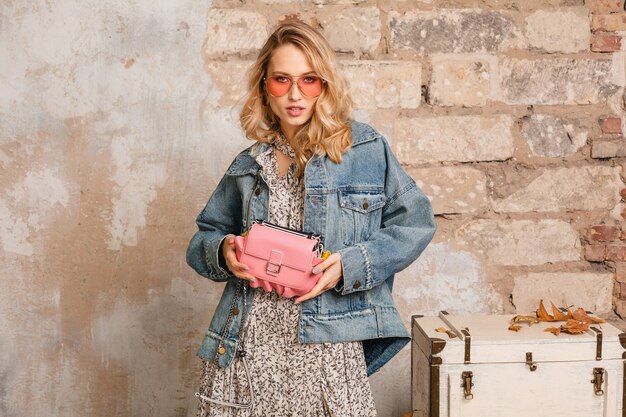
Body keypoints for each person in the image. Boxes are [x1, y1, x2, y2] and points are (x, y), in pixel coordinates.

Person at [186, 19, 436, 417]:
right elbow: (204, 239)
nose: (295, 94)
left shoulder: (365, 150)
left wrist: (349, 265)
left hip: (327, 347)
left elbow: (416, 224)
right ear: (265, 88)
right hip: (249, 347)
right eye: (281, 80)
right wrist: (223, 251)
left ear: (325, 85)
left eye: (309, 80)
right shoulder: (250, 165)